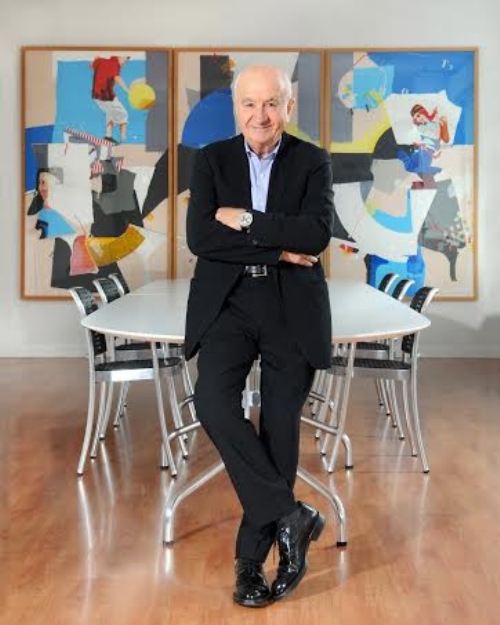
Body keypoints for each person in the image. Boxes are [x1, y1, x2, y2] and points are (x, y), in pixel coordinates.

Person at [185, 65, 334, 607]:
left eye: (271, 103)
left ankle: (250, 564)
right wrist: (277, 247)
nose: (260, 115)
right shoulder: (212, 159)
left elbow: (315, 234)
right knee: (212, 401)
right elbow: (201, 237)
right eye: (249, 104)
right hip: (229, 302)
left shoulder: (312, 160)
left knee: (278, 429)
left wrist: (246, 220)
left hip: (291, 304)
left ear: (288, 107)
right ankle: (291, 516)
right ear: (236, 109)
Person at [91, 55, 130, 143]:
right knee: (124, 114)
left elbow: (92, 66)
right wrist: (127, 90)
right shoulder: (115, 65)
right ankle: (123, 140)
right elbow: (117, 78)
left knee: (110, 113)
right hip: (107, 97)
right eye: (125, 60)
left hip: (96, 96)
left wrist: (96, 59)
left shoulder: (101, 61)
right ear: (119, 56)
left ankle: (108, 136)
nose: (124, 63)